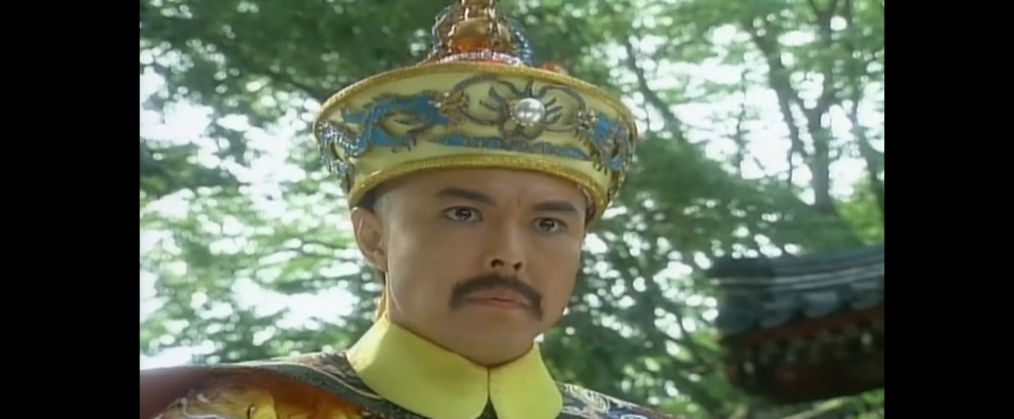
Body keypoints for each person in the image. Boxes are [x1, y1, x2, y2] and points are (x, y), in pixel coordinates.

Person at [141, 1, 674, 417]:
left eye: (548, 223)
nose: (509, 255)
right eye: (464, 214)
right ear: (372, 236)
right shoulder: (251, 407)